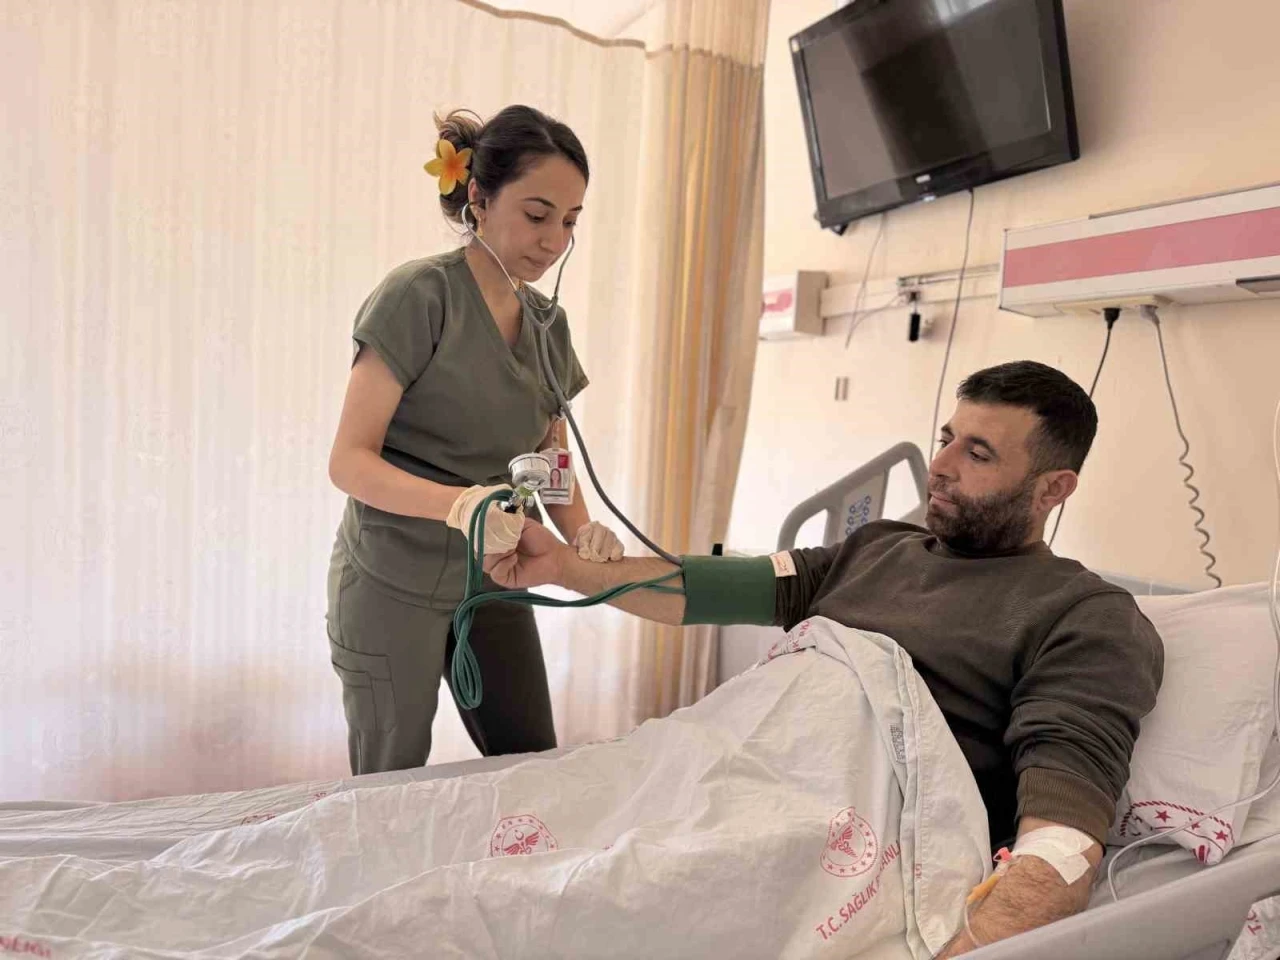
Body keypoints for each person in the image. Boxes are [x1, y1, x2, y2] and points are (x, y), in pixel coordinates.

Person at [485, 360, 1164, 956]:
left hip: (830, 845)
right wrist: (567, 569)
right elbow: (712, 587)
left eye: (978, 454)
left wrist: (972, 945)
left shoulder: (1082, 614)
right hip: (724, 785)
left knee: (541, 910)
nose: (942, 466)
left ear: (1053, 489)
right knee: (506, 848)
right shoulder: (877, 548)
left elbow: (1061, 845)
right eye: (946, 439)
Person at [326, 105, 624, 777]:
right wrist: (461, 505)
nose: (554, 241)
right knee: (392, 782)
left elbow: (548, 459)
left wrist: (582, 532)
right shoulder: (419, 297)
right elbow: (349, 461)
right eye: (538, 214)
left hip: (495, 576)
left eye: (570, 222)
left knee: (532, 764)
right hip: (391, 579)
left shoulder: (548, 325)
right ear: (480, 200)